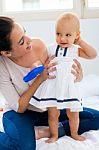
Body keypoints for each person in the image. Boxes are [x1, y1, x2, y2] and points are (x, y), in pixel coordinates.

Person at [0, 16, 99, 150]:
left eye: (25, 32)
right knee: (25, 146)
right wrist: (40, 79)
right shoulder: (2, 67)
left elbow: (57, 74)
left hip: (47, 106)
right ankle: (38, 133)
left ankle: (49, 131)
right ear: (6, 53)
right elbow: (19, 107)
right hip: (19, 113)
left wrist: (78, 77)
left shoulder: (38, 45)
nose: (30, 40)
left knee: (95, 118)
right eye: (22, 41)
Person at [29, 12, 97, 143]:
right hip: (54, 86)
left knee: (73, 113)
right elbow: (40, 60)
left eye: (68, 35)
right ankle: (54, 135)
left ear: (76, 35)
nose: (62, 38)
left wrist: (81, 41)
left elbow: (92, 54)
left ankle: (74, 133)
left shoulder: (75, 49)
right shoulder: (50, 48)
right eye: (58, 34)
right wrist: (35, 65)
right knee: (53, 114)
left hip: (69, 87)